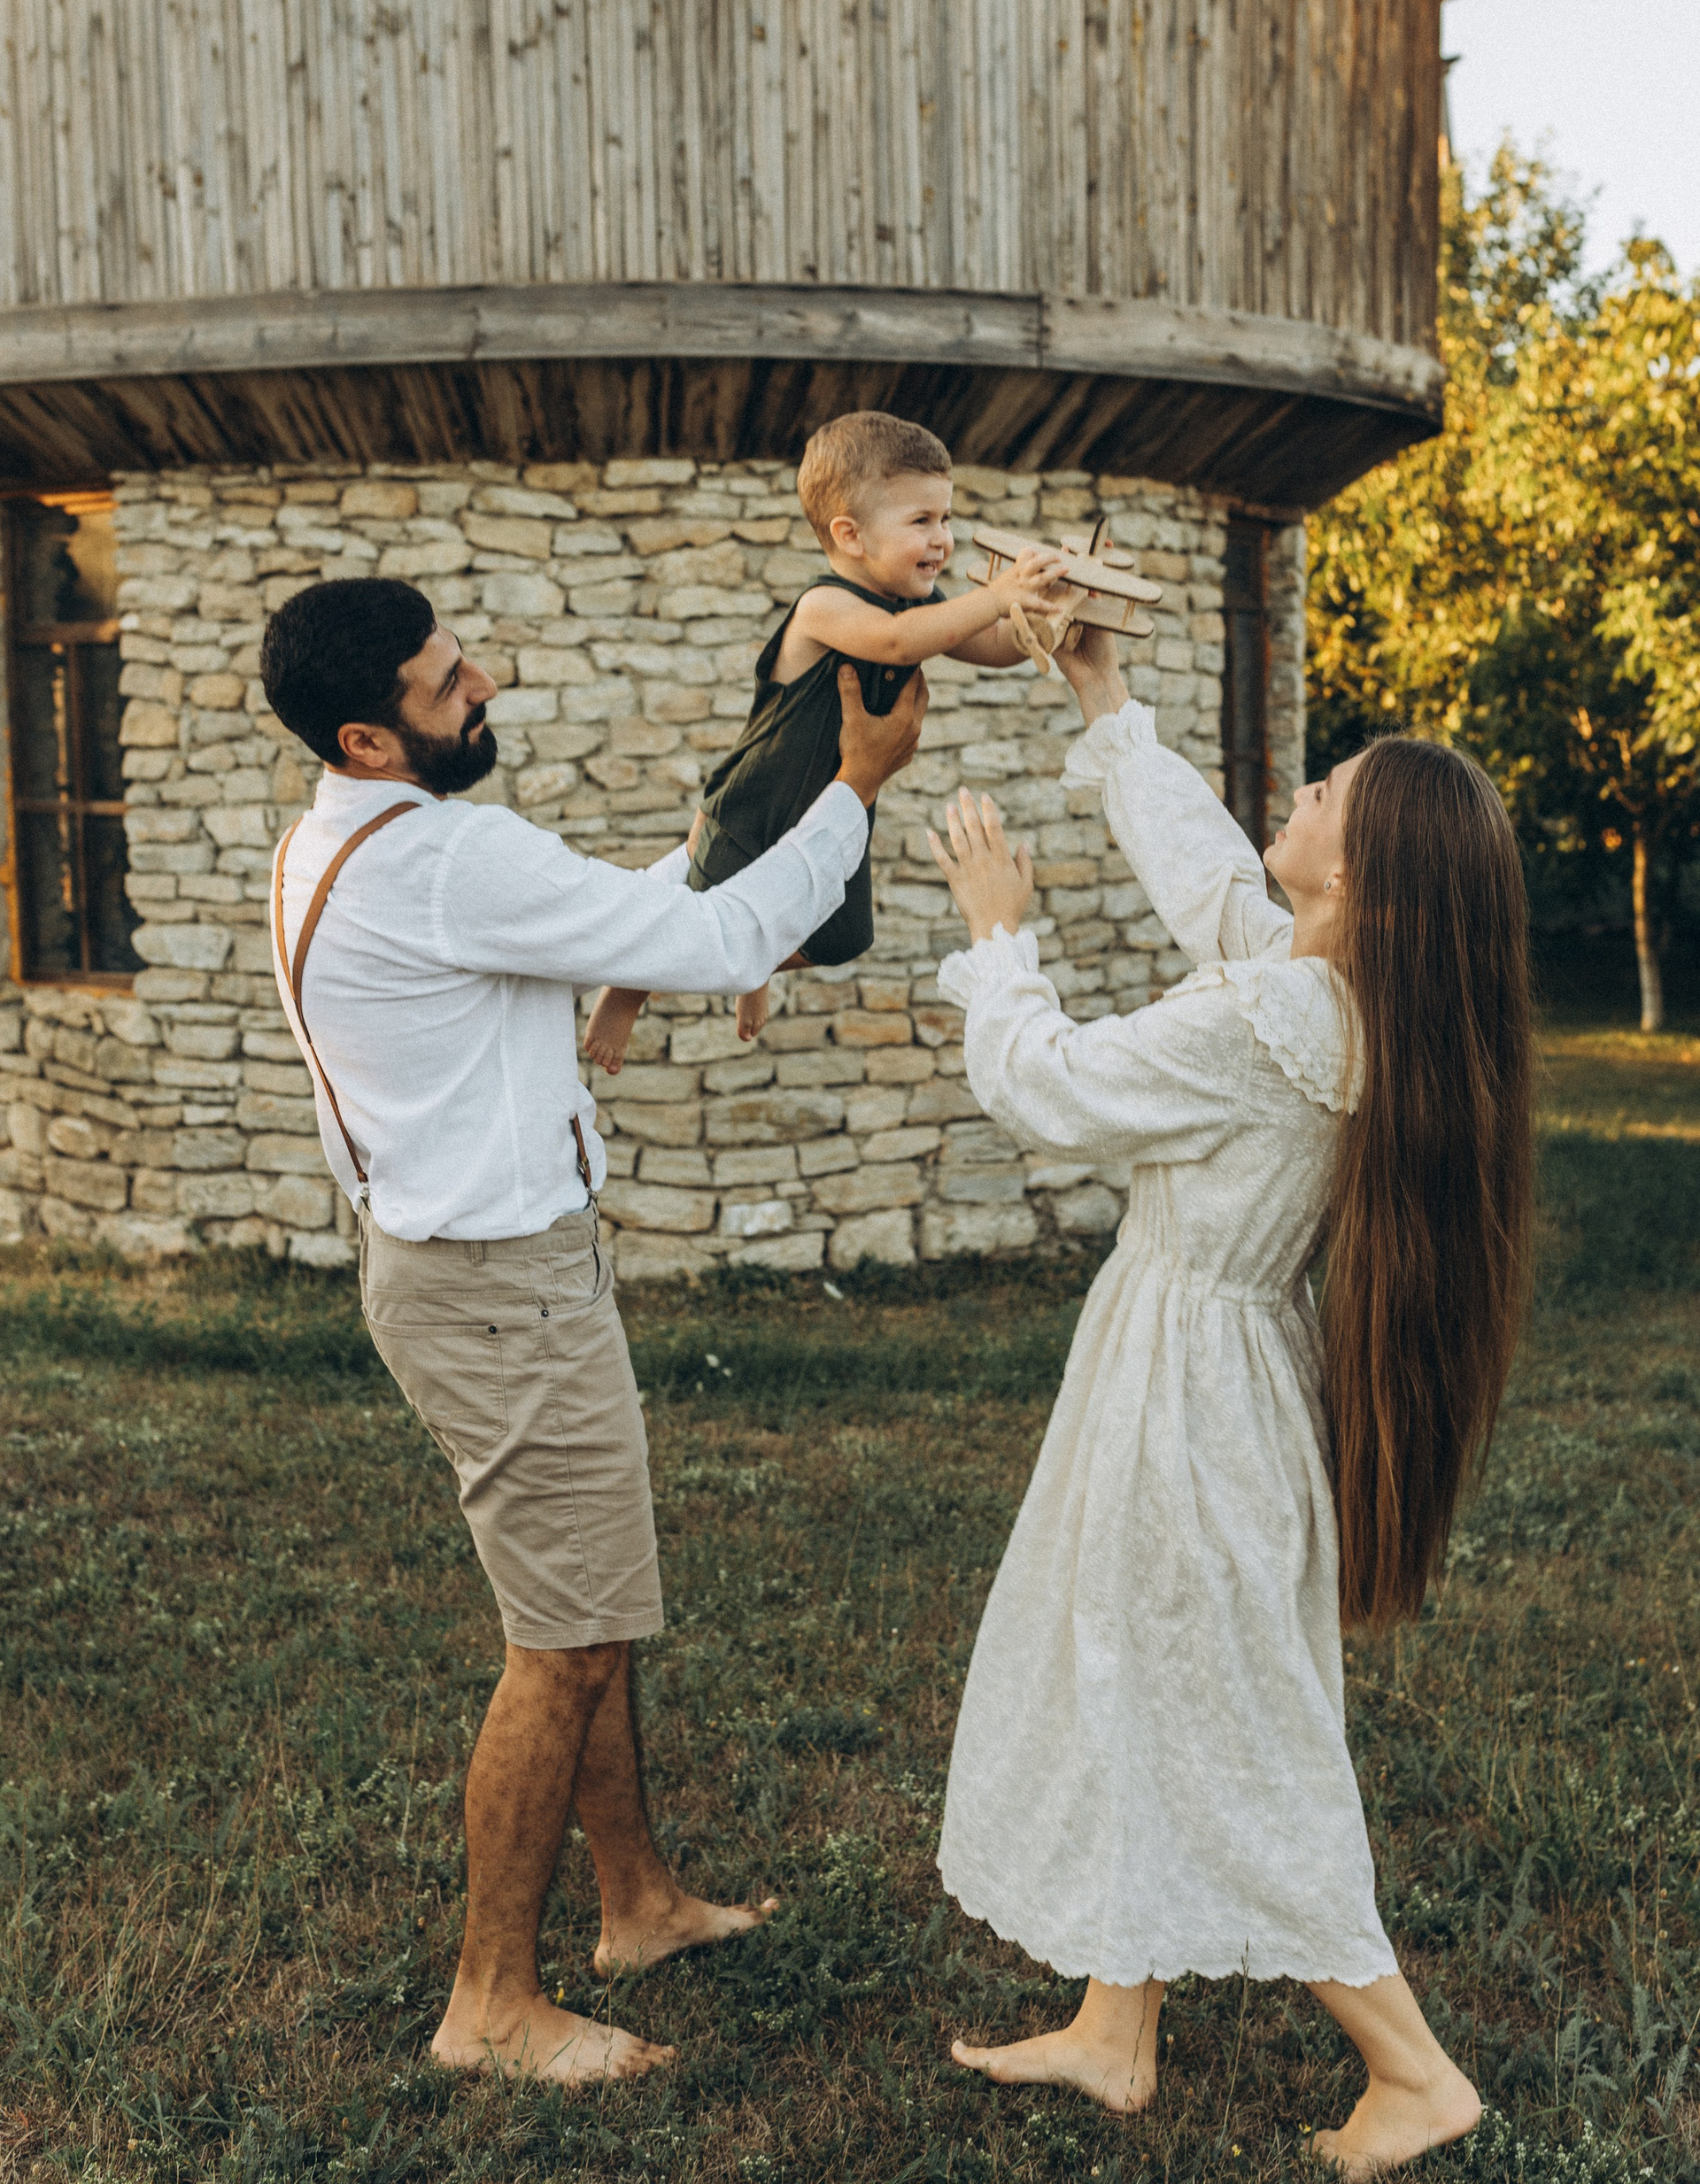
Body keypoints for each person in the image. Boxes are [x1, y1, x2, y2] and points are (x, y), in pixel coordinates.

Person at [258, 575, 925, 2090]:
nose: (482, 683)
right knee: (561, 1647)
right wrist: (854, 789)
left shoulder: (334, 839)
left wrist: (720, 829)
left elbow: (619, 909)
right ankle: (491, 2002)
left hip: (464, 1275)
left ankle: (637, 1903)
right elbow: (720, 939)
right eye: (447, 682)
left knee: (591, 1610)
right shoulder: (449, 857)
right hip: (501, 1293)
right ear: (368, 738)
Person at [923, 622, 1532, 2173]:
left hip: (1190, 1394)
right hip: (1205, 1370)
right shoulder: (1327, 990)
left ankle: (1416, 2074)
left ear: (1361, 880)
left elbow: (1052, 1087)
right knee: (1137, 1668)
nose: (1301, 794)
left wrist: (999, 938)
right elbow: (1211, 880)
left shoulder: (1274, 1022)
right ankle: (1112, 2026)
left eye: (1327, 794)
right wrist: (1106, 700)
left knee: (1237, 1727)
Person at [582, 410, 1068, 1074]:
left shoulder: (924, 605)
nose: (943, 539)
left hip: (836, 804)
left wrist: (1047, 614)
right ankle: (632, 982)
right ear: (850, 535)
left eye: (947, 518)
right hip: (759, 803)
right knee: (697, 919)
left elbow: (992, 643)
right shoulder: (824, 606)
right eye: (922, 521)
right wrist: (999, 593)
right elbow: (895, 642)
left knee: (843, 937)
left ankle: (753, 962)